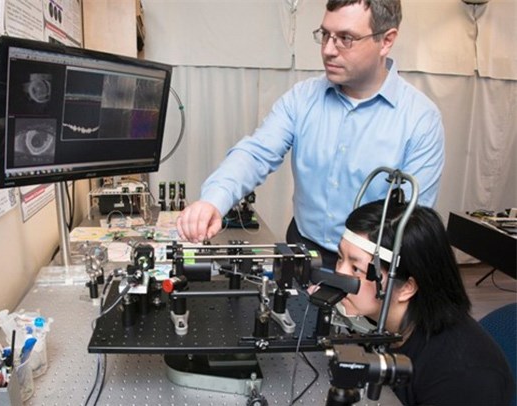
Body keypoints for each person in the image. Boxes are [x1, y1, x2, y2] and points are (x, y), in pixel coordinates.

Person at [176, 0, 445, 269]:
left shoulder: (421, 119)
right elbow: (256, 153)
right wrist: (214, 200)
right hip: (303, 250)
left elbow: (409, 220)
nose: (328, 50)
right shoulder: (302, 98)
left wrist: (352, 271)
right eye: (325, 35)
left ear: (386, 40)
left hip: (370, 266)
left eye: (345, 39)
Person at [334, 200, 514, 406]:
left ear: (407, 288)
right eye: (340, 258)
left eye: (356, 269)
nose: (340, 274)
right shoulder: (380, 324)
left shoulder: (462, 376)